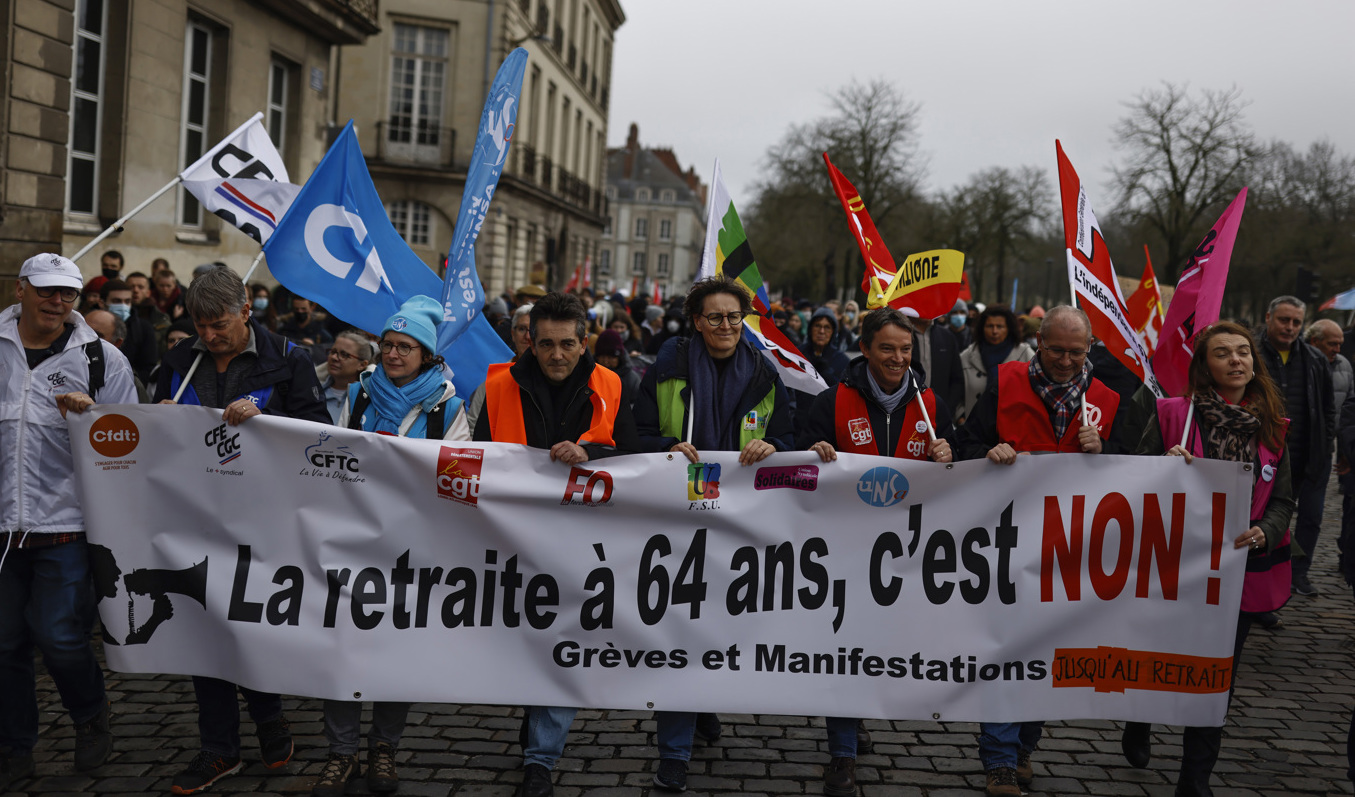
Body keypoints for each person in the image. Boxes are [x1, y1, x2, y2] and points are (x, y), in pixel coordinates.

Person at [152, 265, 329, 795]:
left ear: (246, 310)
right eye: (200, 325)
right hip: (195, 518)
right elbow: (156, 437)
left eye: (219, 325)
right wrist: (157, 417)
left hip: (264, 521)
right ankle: (218, 749)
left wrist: (267, 421)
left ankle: (269, 715)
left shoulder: (289, 361)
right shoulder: (180, 360)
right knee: (205, 631)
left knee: (252, 626)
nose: (208, 336)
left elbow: (318, 434)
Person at [471, 291, 639, 797]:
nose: (558, 355)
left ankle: (540, 759)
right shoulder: (498, 385)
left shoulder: (613, 383)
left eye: (567, 344)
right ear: (530, 341)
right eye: (546, 344)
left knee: (562, 640)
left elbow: (635, 454)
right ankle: (534, 716)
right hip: (513, 538)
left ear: (582, 341)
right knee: (525, 640)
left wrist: (590, 450)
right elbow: (478, 455)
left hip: (583, 541)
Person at [1118, 321, 1294, 797]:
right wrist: (1163, 467)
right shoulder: (1175, 414)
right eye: (1223, 353)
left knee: (1217, 676)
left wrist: (1266, 531)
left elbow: (1283, 500)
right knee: (1162, 658)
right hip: (1173, 563)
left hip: (1235, 571)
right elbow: (1134, 476)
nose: (1236, 360)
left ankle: (1195, 777)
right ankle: (1140, 719)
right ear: (1205, 366)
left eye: (1243, 352)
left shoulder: (1273, 426)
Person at [634, 274, 795, 792]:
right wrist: (663, 445)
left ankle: (703, 704)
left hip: (741, 524)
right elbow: (630, 433)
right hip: (677, 521)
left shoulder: (766, 375)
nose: (725, 325)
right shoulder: (666, 369)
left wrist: (774, 446)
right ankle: (673, 753)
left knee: (722, 629)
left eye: (733, 317)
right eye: (714, 317)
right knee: (682, 630)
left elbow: (791, 434)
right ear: (697, 322)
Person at [955, 305, 1125, 796]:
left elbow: (1139, 477)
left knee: (1051, 658)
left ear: (1089, 348)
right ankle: (1000, 760)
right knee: (1008, 653)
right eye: (1056, 350)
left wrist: (1106, 452)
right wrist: (991, 454)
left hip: (1073, 555)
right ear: (1038, 342)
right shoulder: (1005, 382)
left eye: (1077, 351)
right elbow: (966, 446)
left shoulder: (1109, 400)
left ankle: (1026, 746)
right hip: (1006, 548)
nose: (1067, 361)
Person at [312, 298, 469, 797]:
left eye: (406, 347)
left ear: (426, 355)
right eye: (389, 345)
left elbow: (457, 476)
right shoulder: (358, 395)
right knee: (343, 649)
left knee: (393, 650)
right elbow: (331, 453)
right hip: (353, 540)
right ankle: (341, 753)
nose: (395, 354)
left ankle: (384, 749)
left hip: (411, 548)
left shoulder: (447, 405)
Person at [801, 307, 954, 797]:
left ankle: (856, 715)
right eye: (886, 348)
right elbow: (800, 460)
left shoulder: (930, 402)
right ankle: (841, 755)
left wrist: (949, 456)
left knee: (881, 648)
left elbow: (958, 469)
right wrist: (814, 452)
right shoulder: (833, 400)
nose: (897, 358)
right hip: (844, 547)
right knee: (846, 647)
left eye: (905, 350)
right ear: (864, 348)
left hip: (906, 552)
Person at [0, 254, 138, 792]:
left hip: (66, 522)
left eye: (69, 294)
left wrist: (93, 422)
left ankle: (89, 712)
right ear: (22, 289)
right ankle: (15, 747)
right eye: (47, 291)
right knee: (5, 643)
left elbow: (130, 446)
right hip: (4, 528)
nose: (57, 303)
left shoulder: (103, 361)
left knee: (58, 635)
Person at [1255, 296, 1333, 600]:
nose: (1290, 327)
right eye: (1284, 320)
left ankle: (1299, 573)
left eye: (1296, 322)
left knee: (1311, 518)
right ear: (1269, 317)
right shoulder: (1252, 354)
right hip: (1266, 457)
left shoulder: (1314, 359)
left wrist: (1325, 446)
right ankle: (1266, 581)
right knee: (1269, 520)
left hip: (1307, 456)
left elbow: (1327, 409)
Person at [957, 305, 1035, 424]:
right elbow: (955, 390)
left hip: (1013, 428)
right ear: (982, 328)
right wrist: (960, 417)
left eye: (1000, 326)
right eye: (990, 326)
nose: (994, 331)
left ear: (1009, 328)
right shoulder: (967, 356)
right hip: (974, 430)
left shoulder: (1025, 354)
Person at [100, 278, 159, 383]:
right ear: (102, 303)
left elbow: (148, 368)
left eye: (127, 301)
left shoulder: (143, 328)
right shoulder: (88, 327)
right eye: (117, 301)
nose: (123, 306)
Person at [911, 313, 965, 415]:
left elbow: (957, 379)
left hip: (939, 411)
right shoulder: (901, 335)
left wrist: (947, 408)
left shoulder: (947, 337)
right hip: (908, 408)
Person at [321, 330, 374, 425]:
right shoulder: (313, 390)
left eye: (344, 355)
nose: (334, 357)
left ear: (362, 364)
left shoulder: (367, 400)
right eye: (332, 352)